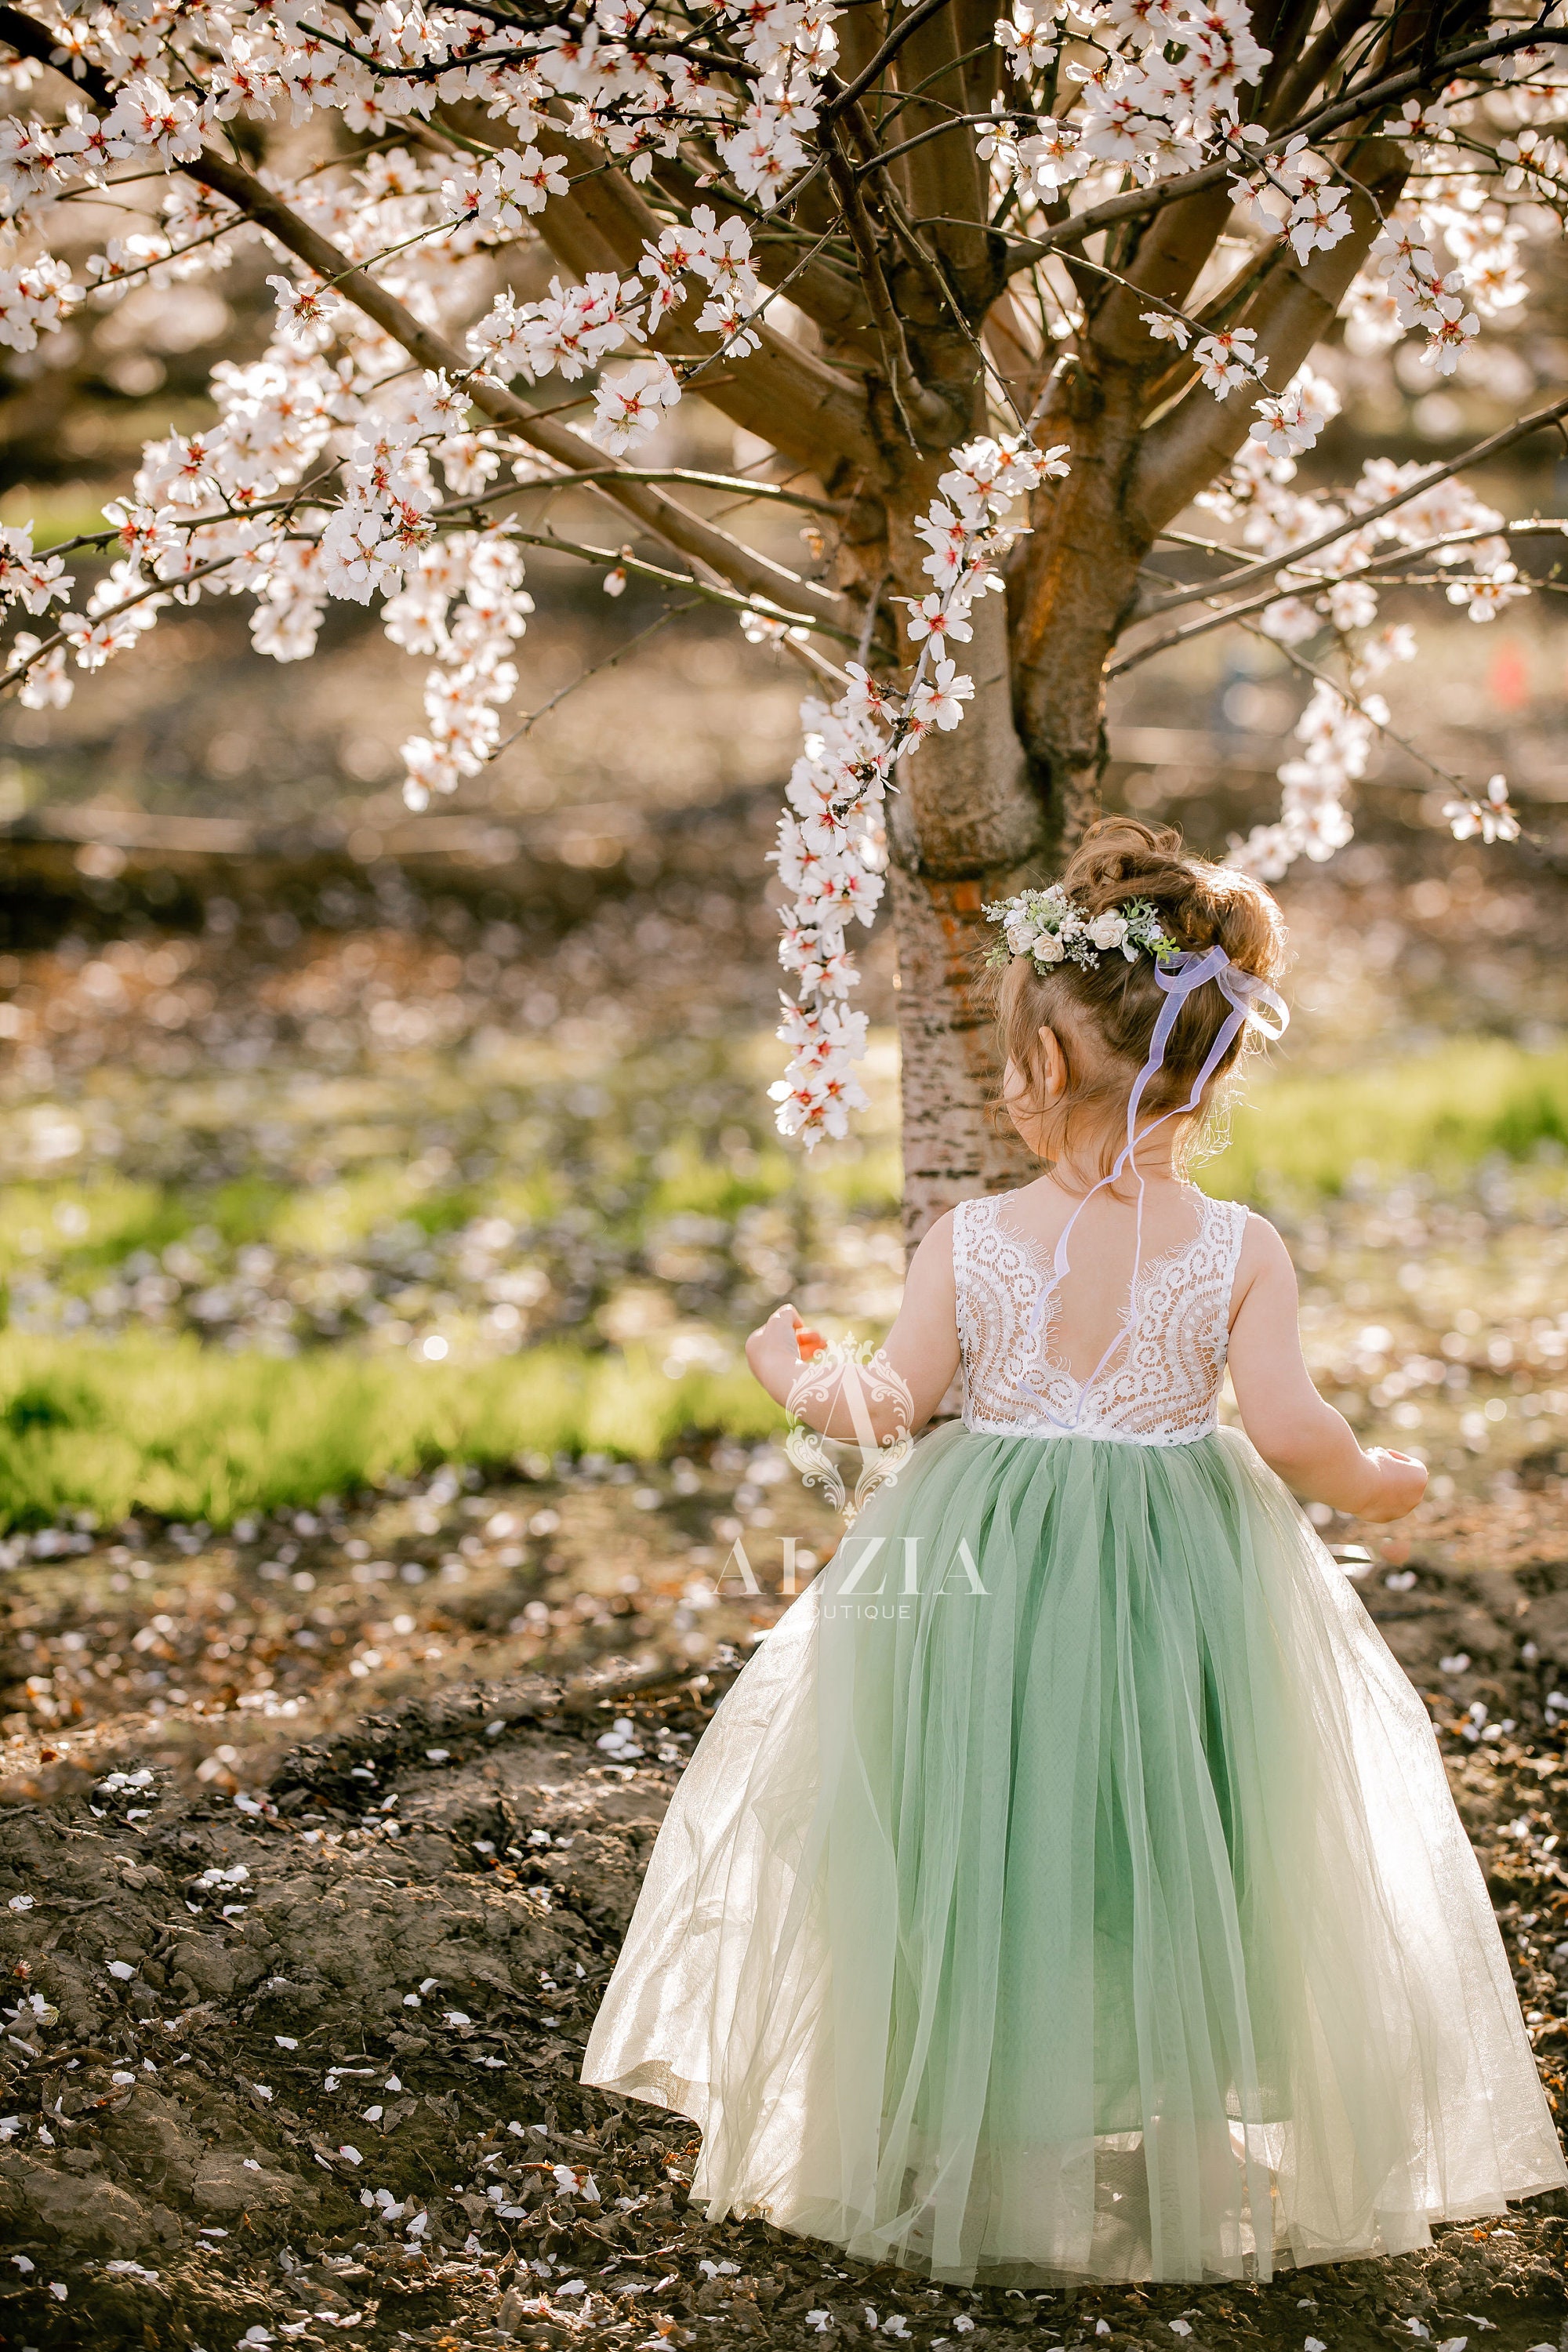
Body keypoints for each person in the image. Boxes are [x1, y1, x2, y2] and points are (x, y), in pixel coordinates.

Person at [582, 818, 1566, 2285]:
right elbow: (1294, 1432)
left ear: (1038, 1070)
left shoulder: (970, 1244)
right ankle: (1185, 2146)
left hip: (989, 1581)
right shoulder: (1241, 1250)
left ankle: (1015, 2161)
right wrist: (1378, 1486)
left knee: (998, 1831)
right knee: (1186, 1833)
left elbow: (890, 1408)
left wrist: (789, 1370)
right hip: (1188, 1578)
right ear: (1212, 1070)